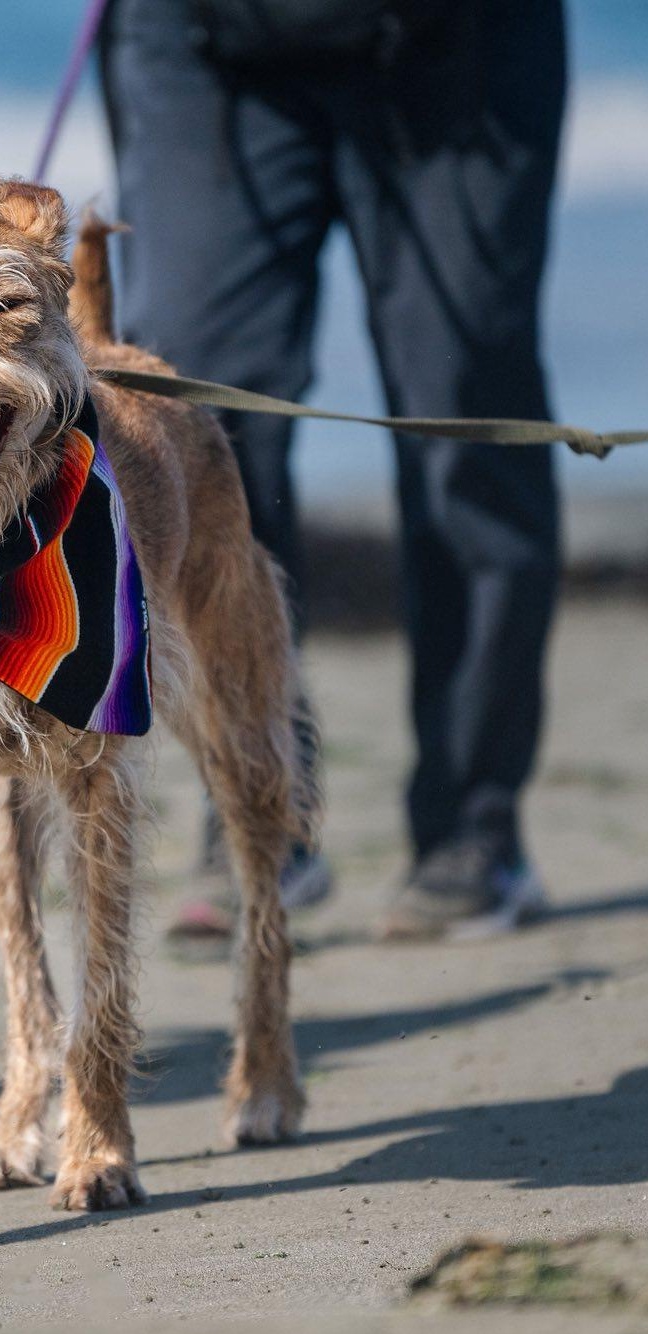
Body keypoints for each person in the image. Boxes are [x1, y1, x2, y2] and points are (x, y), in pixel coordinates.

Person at [98, 0, 566, 940]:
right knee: (191, 422)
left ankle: (472, 827)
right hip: (205, 48)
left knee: (462, 413)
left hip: (456, 53)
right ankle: (258, 802)